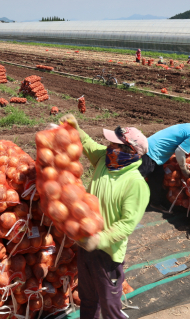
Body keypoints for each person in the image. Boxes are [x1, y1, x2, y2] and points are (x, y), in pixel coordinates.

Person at [59, 114, 150, 319]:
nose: (109, 146)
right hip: (85, 246)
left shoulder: (136, 184)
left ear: (129, 151)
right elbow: (88, 144)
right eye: (110, 143)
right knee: (87, 298)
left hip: (107, 254)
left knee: (110, 305)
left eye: (114, 145)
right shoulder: (104, 160)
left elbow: (127, 224)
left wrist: (100, 239)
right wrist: (76, 127)